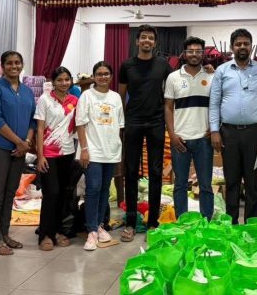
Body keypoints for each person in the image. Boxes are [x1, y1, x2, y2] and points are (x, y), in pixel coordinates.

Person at [209, 28, 257, 224]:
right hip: (228, 133)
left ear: (251, 46)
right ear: (232, 47)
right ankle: (231, 223)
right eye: (238, 44)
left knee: (253, 181)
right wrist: (214, 130)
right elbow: (214, 103)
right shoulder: (222, 71)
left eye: (246, 43)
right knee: (231, 180)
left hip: (255, 132)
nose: (242, 47)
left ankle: (252, 225)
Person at [118, 25, 173, 241]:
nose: (147, 41)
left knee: (156, 172)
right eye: (143, 37)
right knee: (131, 171)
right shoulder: (127, 65)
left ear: (155, 42)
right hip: (133, 121)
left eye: (150, 38)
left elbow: (176, 85)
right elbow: (121, 96)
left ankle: (153, 223)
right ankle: (130, 222)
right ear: (137, 41)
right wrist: (121, 123)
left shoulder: (163, 65)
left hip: (156, 121)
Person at [0, 51, 36, 255]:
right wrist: (19, 142)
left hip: (19, 149)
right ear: (3, 66)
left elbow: (33, 120)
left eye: (17, 62)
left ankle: (4, 234)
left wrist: (27, 142)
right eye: (10, 63)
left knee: (10, 192)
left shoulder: (27, 91)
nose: (14, 66)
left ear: (22, 65)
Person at [76, 61, 125, 251]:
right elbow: (80, 124)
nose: (103, 77)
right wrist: (84, 149)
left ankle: (99, 225)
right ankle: (91, 231)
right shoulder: (87, 96)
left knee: (105, 190)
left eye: (106, 74)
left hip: (110, 152)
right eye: (99, 74)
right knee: (93, 188)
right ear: (94, 77)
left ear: (111, 76)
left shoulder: (115, 97)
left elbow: (119, 126)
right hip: (93, 151)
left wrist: (117, 151)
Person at [165, 36, 215, 220]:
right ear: (184, 54)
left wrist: (214, 128)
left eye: (198, 51)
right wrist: (172, 134)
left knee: (205, 185)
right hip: (181, 139)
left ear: (203, 54)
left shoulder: (212, 76)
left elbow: (218, 105)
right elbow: (168, 107)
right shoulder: (173, 77)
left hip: (204, 139)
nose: (194, 54)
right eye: (190, 51)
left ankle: (206, 221)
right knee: (180, 184)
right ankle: (182, 221)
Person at [34, 66, 78, 251]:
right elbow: (40, 129)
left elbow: (78, 126)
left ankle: (59, 231)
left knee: (64, 194)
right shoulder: (45, 100)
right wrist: (40, 156)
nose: (64, 83)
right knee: (51, 193)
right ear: (53, 82)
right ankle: (45, 234)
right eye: (59, 80)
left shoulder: (75, 100)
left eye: (67, 79)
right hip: (49, 155)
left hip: (68, 153)